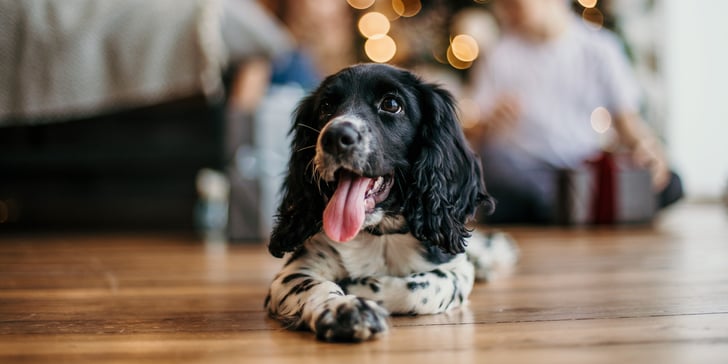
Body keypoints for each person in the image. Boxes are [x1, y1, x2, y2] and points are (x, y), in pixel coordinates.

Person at [466, 0, 682, 224]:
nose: (507, 11)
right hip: (526, 172)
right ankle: (585, 208)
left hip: (581, 172)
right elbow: (477, 134)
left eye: (514, 4)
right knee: (496, 171)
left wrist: (648, 148)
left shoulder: (600, 48)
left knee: (671, 183)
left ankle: (565, 208)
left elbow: (627, 122)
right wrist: (491, 123)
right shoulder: (500, 54)